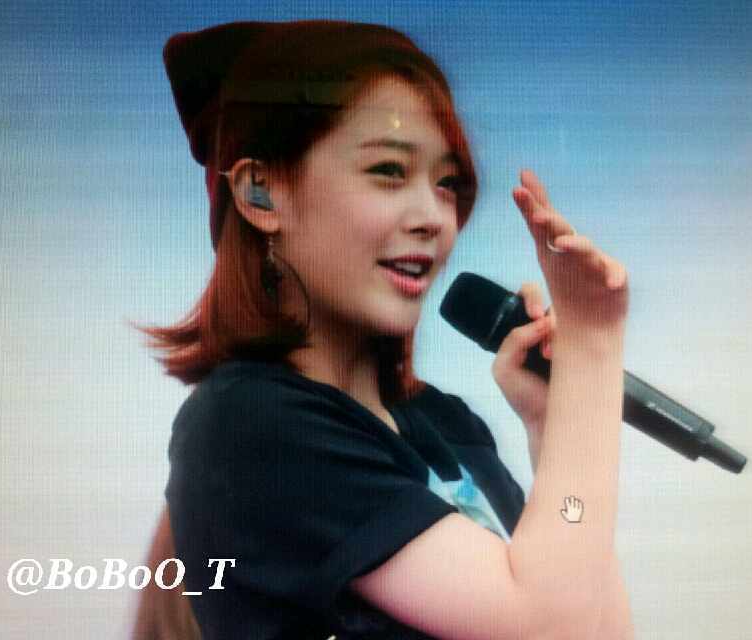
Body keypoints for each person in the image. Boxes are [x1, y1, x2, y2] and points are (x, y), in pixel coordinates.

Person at [130, 19, 633, 640]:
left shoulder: (446, 427)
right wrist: (591, 346)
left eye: (446, 184)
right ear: (261, 192)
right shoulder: (255, 423)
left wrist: (555, 427)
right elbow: (546, 626)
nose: (434, 217)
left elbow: (589, 625)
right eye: (389, 171)